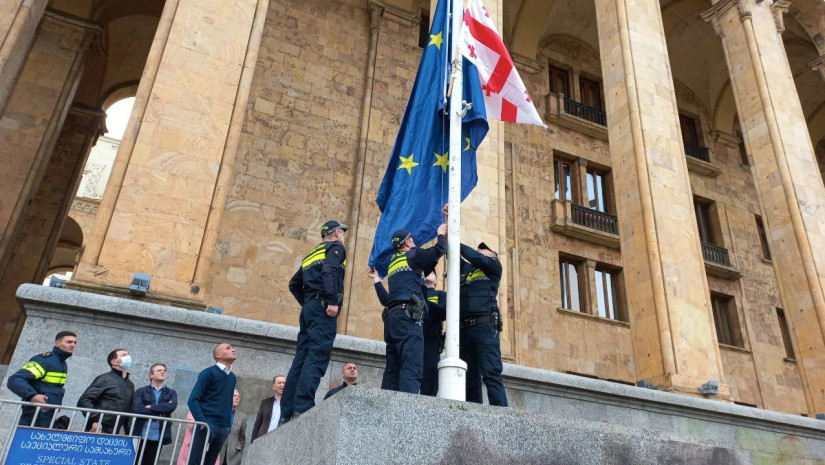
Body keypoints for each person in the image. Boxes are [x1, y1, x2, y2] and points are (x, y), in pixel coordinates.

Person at [281, 220, 348, 424]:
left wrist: (308, 302)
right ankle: (303, 406)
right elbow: (329, 271)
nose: (343, 236)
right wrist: (332, 301)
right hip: (323, 307)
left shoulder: (311, 254)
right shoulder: (337, 248)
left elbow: (294, 284)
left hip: (310, 307)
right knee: (317, 355)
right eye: (342, 233)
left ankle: (287, 410)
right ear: (336, 233)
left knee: (301, 358)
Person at [378, 225, 447, 393]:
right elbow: (439, 249)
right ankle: (406, 414)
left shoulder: (393, 262)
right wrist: (441, 234)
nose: (415, 243)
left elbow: (424, 266)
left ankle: (387, 407)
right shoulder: (413, 255)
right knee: (412, 365)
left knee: (393, 368)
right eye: (413, 240)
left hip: (392, 318)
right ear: (408, 242)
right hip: (408, 318)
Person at [459, 242, 508, 407]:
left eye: (483, 249)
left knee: (491, 373)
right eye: (478, 249)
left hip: (485, 327)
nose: (479, 250)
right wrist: (446, 231)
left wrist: (459, 243)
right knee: (470, 378)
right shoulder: (466, 269)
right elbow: (451, 254)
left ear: (492, 255)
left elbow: (473, 256)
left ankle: (501, 417)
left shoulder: (493, 266)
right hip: (465, 329)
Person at [7, 331, 76, 428]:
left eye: (74, 343)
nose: (73, 345)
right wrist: (33, 395)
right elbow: (14, 380)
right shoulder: (45, 360)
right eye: (69, 342)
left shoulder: (61, 363)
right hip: (34, 416)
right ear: (57, 343)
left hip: (48, 416)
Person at [187, 343, 237, 465]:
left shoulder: (232, 377)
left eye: (232, 348)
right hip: (207, 424)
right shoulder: (208, 373)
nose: (233, 349)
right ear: (218, 355)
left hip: (223, 427)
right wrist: (202, 421)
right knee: (195, 460)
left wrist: (228, 424)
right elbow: (193, 399)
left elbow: (229, 403)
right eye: (228, 348)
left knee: (210, 462)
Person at [77, 348, 136, 433]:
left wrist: (129, 431)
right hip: (99, 429)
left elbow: (129, 409)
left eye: (128, 354)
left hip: (115, 431)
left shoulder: (130, 384)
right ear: (114, 362)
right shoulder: (104, 379)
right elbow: (84, 400)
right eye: (124, 355)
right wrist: (96, 420)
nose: (128, 357)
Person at [133, 364, 178, 465]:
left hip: (158, 435)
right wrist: (162, 408)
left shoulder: (171, 393)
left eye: (164, 370)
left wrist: (150, 407)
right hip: (141, 433)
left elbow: (171, 407)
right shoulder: (141, 391)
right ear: (151, 375)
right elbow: (138, 409)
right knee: (135, 461)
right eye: (159, 370)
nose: (162, 372)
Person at [422, 272, 446, 396]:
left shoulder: (440, 295)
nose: (428, 273)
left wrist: (425, 303)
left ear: (436, 281)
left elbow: (444, 311)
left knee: (430, 377)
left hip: (432, 342)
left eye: (431, 272)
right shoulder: (416, 293)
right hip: (416, 339)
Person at [251, 375, 285, 442]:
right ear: (273, 387)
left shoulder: (291, 403)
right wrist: (253, 442)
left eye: (284, 383)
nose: (282, 385)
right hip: (263, 439)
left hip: (281, 439)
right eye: (279, 383)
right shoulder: (266, 402)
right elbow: (258, 423)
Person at [219, 390, 246, 465]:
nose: (237, 398)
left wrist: (239, 450)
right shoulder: (219, 412)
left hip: (234, 456)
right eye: (234, 396)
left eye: (238, 397)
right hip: (218, 452)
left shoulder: (242, 417)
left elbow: (242, 437)